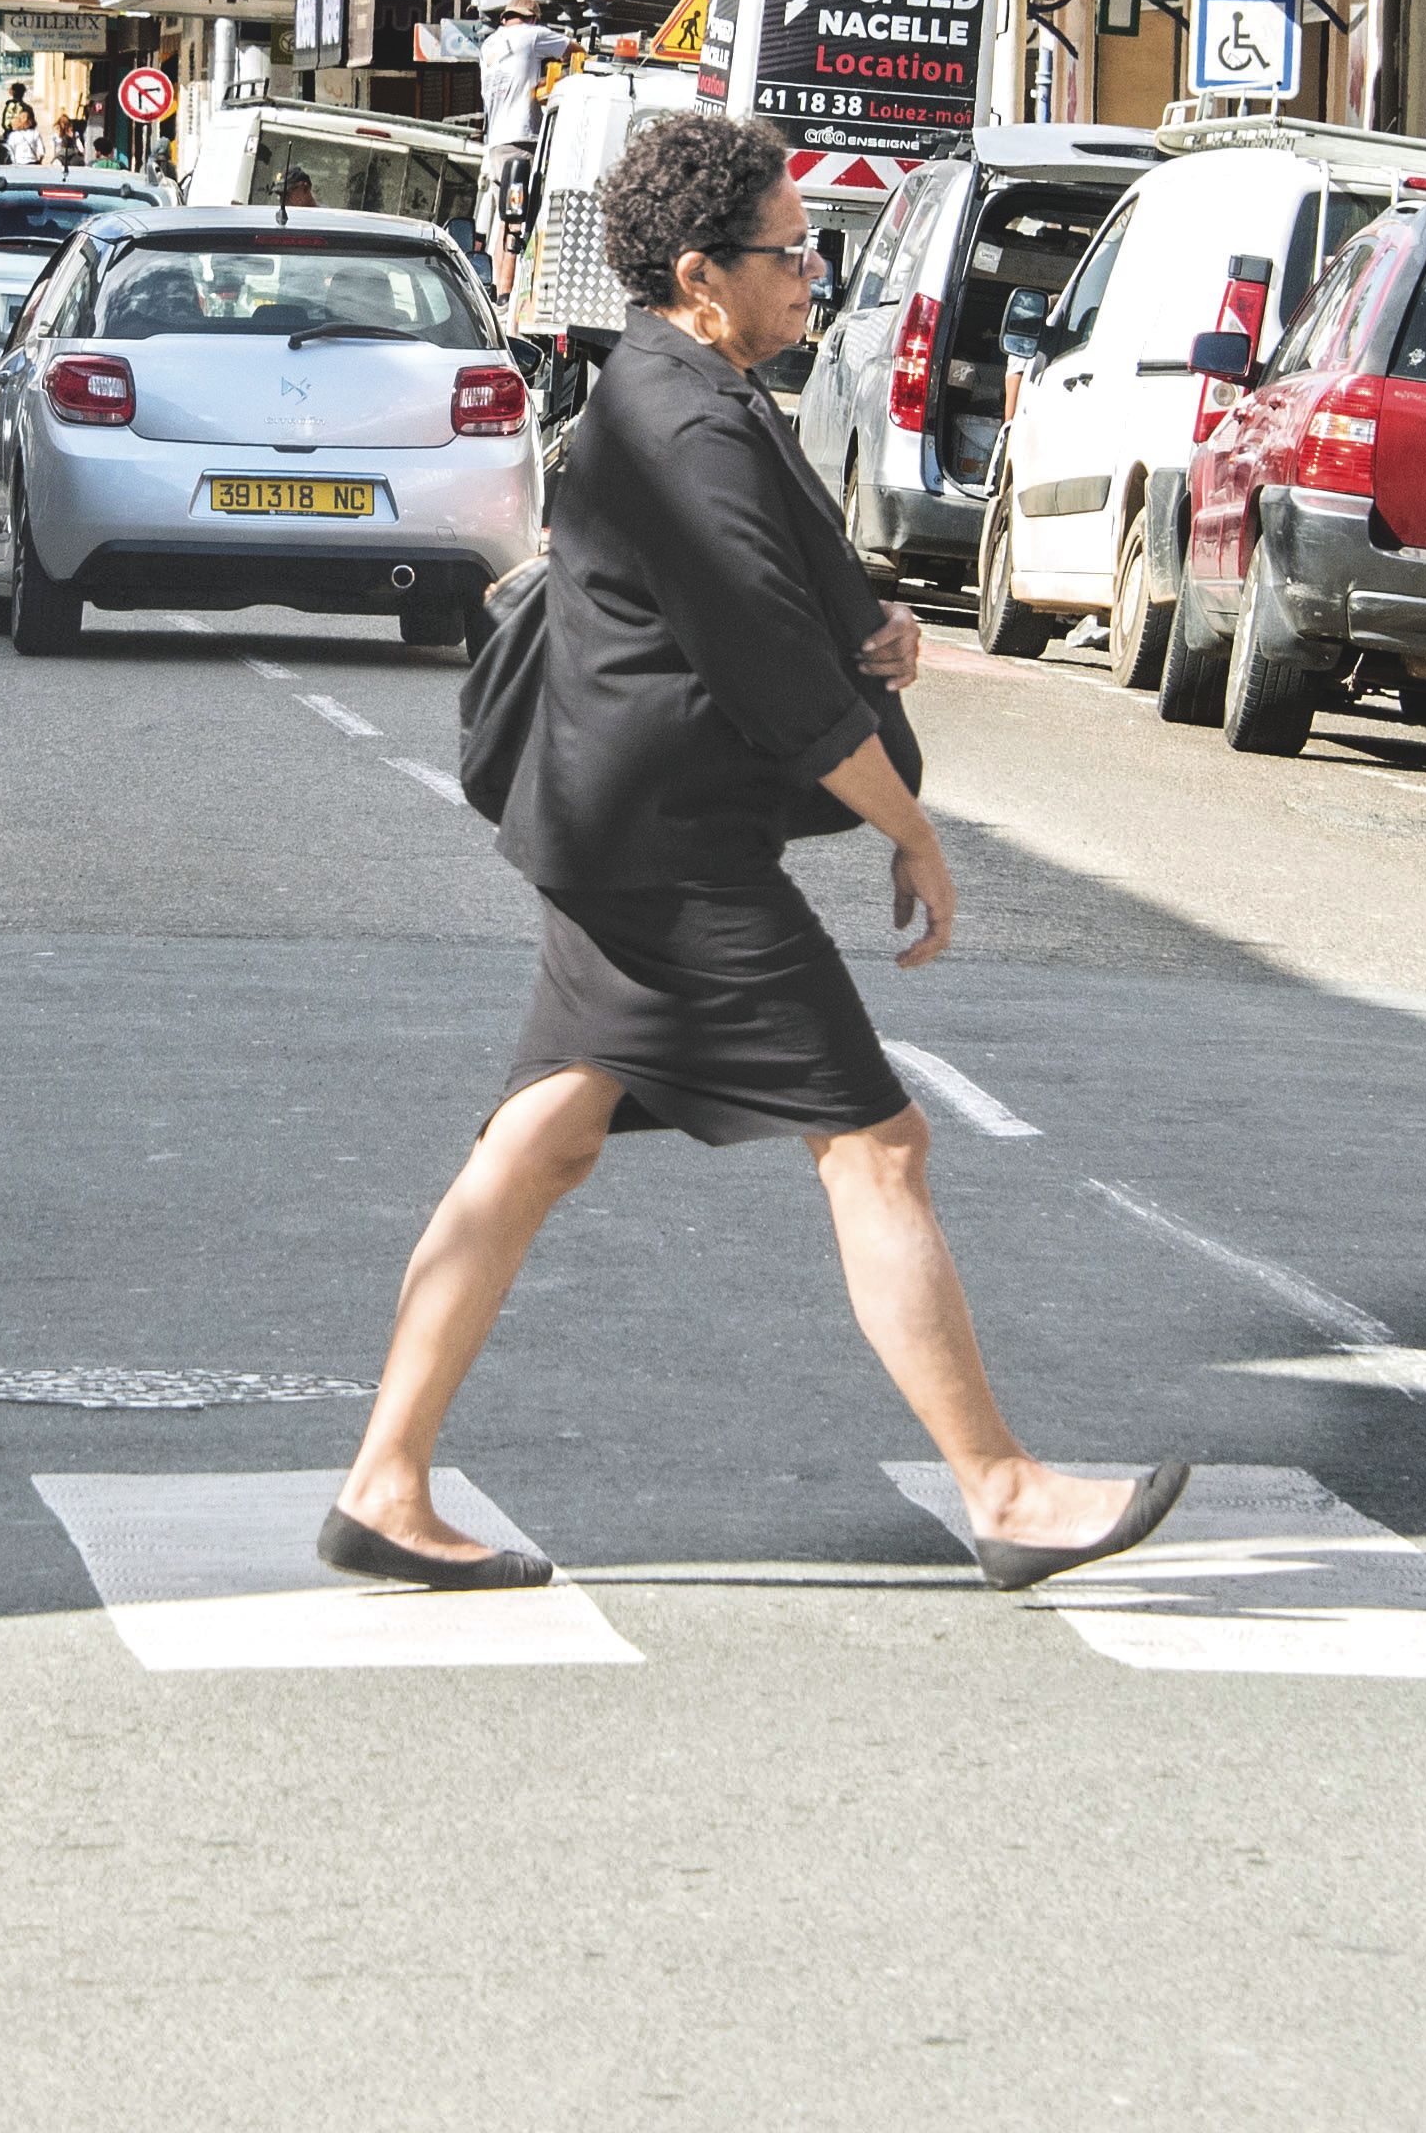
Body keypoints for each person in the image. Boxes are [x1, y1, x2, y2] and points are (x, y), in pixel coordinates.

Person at [325, 107, 1188, 1598]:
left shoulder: (684, 393)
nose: (814, 279)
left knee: (544, 1141)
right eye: (791, 256)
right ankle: (1008, 1490)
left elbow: (775, 605)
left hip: (621, 832)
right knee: (879, 1142)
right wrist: (911, 834)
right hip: (673, 855)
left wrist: (881, 632)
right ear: (698, 275)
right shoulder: (676, 419)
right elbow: (767, 671)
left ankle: (386, 1480)